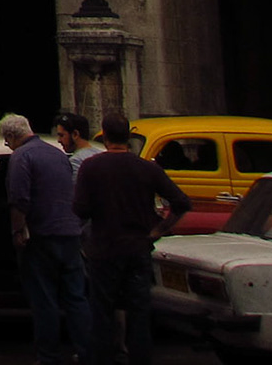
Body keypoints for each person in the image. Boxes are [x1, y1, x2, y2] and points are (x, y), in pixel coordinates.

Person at [73, 111, 191, 365]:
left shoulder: (91, 167)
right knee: (139, 314)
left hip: (104, 249)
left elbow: (80, 209)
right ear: (128, 137)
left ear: (104, 137)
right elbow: (181, 202)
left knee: (102, 314)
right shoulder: (147, 168)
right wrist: (158, 230)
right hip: (138, 248)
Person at [2, 112, 92, 365]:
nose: (7, 146)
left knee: (45, 299)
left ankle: (48, 356)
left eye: (6, 141)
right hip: (70, 233)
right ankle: (87, 352)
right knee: (76, 297)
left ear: (11, 136)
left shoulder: (22, 156)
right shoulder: (58, 154)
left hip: (42, 236)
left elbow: (19, 200)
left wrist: (17, 231)